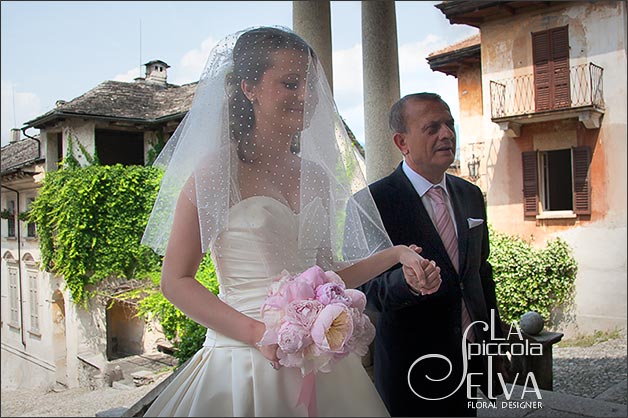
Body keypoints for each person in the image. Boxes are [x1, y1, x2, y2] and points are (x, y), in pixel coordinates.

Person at [140, 27, 442, 417]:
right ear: (249, 87)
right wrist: (258, 332)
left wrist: (397, 254)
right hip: (246, 363)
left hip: (321, 366)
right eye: (290, 83)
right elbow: (175, 281)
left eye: (310, 85)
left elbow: (328, 274)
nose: (306, 96)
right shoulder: (217, 171)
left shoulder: (315, 175)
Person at [358, 93, 505, 417]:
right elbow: (364, 291)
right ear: (402, 142)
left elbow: (480, 272)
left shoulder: (470, 194)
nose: (447, 134)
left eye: (450, 124)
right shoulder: (371, 203)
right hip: (411, 366)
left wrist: (493, 339)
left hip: (470, 357)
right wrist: (408, 283)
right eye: (432, 127)